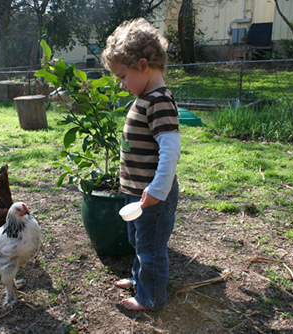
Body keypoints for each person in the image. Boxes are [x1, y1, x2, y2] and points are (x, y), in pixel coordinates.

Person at [101, 18, 181, 311]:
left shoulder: (159, 101)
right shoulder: (146, 97)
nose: (121, 84)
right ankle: (138, 280)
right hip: (139, 193)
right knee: (138, 242)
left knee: (151, 248)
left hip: (152, 196)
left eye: (122, 76)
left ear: (143, 65)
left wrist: (158, 190)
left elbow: (171, 149)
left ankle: (151, 298)